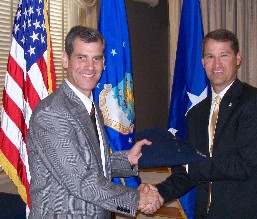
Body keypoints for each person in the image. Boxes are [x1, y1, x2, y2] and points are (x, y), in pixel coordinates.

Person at [140, 29, 257, 218]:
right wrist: (160, 193)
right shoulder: (195, 114)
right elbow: (190, 170)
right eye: (210, 56)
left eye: (224, 55)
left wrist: (190, 167)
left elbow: (244, 164)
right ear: (203, 62)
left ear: (238, 58)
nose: (216, 64)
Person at [27, 25, 161, 218]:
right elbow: (79, 180)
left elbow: (89, 162)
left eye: (96, 58)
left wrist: (127, 160)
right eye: (81, 57)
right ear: (65, 60)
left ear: (103, 62)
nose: (90, 67)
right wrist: (136, 199)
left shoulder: (91, 107)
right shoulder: (51, 114)